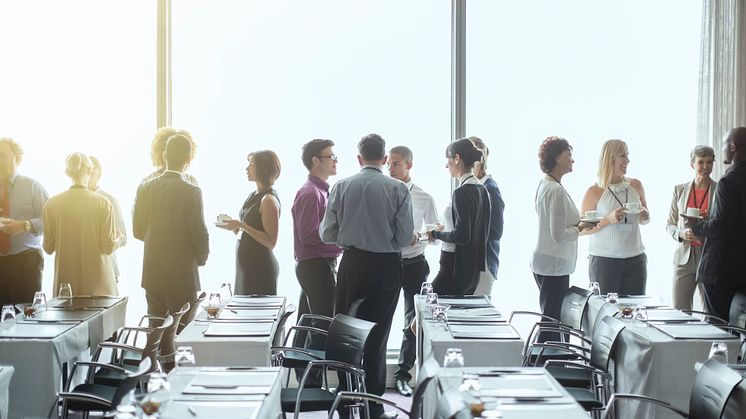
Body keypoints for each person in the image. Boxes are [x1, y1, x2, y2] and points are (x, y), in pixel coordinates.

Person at [320, 133, 413, 419]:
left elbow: (326, 234)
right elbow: (405, 237)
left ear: (359, 159)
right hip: (386, 266)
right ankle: (373, 407)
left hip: (353, 263)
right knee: (378, 335)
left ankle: (346, 402)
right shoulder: (399, 189)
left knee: (347, 333)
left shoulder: (342, 186)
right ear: (385, 159)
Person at [134, 133, 209, 321]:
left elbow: (137, 230)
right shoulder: (191, 191)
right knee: (182, 332)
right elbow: (199, 233)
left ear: (165, 156)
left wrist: (156, 239)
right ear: (189, 159)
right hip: (182, 273)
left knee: (155, 331)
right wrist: (200, 259)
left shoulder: (145, 187)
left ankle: (156, 353)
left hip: (153, 272)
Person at [531, 137, 597, 341]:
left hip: (548, 261)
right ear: (558, 157)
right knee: (552, 322)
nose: (572, 160)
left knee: (552, 319)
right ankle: (541, 365)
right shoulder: (554, 190)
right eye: (569, 155)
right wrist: (581, 227)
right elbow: (559, 235)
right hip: (554, 263)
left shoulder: (546, 185)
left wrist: (579, 225)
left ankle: (543, 363)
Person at [387, 145, 438, 397]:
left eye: (396, 163)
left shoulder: (424, 198)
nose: (390, 168)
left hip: (415, 263)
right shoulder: (382, 193)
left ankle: (402, 375)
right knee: (381, 318)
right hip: (386, 263)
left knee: (411, 322)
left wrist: (420, 237)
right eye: (389, 163)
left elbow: (434, 235)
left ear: (409, 165)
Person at [290, 139, 342, 385]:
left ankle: (305, 381)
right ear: (315, 160)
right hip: (315, 266)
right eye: (330, 156)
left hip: (316, 265)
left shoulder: (321, 191)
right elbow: (309, 236)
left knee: (310, 323)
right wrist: (342, 245)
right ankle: (311, 384)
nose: (335, 160)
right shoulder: (311, 193)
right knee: (322, 325)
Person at [687, 127, 746, 322]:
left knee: (718, 330)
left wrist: (696, 226)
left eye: (723, 145)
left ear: (733, 147)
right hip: (741, 271)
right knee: (739, 330)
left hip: (721, 271)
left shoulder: (728, 182)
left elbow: (720, 226)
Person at [43, 153, 120, 296]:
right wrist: (119, 238)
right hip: (99, 285)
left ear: (67, 172)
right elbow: (108, 247)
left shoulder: (52, 204)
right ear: (90, 172)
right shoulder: (103, 203)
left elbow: (48, 247)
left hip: (65, 286)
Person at [581, 139, 649, 295]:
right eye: (623, 155)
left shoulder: (636, 185)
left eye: (628, 155)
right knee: (606, 313)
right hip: (604, 262)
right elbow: (581, 229)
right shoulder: (594, 191)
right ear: (610, 158)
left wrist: (644, 214)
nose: (628, 160)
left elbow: (645, 220)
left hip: (636, 260)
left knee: (633, 313)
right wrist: (607, 220)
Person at [427, 138, 490, 296]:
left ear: (457, 158)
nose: (446, 165)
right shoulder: (482, 190)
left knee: (423, 305)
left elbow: (462, 236)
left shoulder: (461, 193)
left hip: (453, 267)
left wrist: (435, 234)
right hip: (472, 269)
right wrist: (445, 229)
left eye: (448, 159)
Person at [218, 150, 281, 295]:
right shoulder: (254, 195)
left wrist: (241, 225)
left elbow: (271, 242)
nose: (247, 168)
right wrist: (234, 227)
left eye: (251, 164)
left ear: (262, 168)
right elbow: (249, 235)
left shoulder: (268, 200)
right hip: (246, 267)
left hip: (259, 268)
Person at [666, 145, 717, 310]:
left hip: (709, 256)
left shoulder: (720, 190)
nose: (705, 167)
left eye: (709, 162)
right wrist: (681, 233)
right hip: (684, 259)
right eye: (701, 162)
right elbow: (670, 224)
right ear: (692, 164)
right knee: (680, 311)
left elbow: (724, 225)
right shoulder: (679, 189)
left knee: (711, 312)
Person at [0, 138, 48, 305]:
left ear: (17, 158)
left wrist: (25, 225)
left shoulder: (33, 187)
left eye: (3, 155)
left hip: (26, 263)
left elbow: (49, 223)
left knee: (27, 317)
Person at [470, 137, 505, 296]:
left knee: (479, 309)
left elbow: (496, 230)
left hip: (484, 261)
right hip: (476, 260)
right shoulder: (476, 186)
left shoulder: (490, 187)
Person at [88, 156, 127, 282]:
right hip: (81, 269)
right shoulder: (70, 201)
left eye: (92, 173)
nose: (88, 177)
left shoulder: (110, 200)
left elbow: (123, 237)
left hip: (107, 269)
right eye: (86, 172)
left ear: (99, 174)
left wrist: (111, 239)